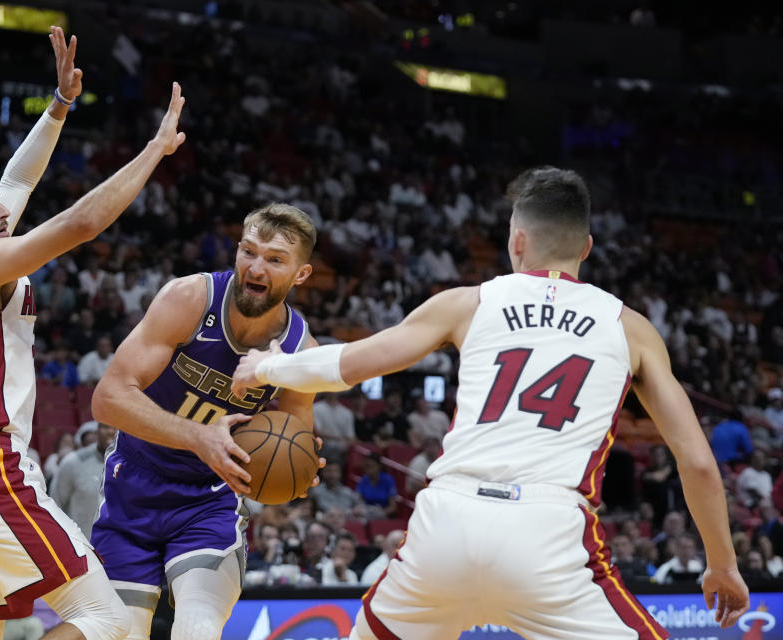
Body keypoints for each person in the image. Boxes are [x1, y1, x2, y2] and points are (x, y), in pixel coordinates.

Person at [234, 167, 749, 638]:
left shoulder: (468, 301)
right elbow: (698, 462)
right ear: (586, 247)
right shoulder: (630, 328)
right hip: (549, 535)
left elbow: (352, 364)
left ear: (517, 239)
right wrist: (722, 564)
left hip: (447, 525)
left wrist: (266, 366)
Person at [0, 27, 189, 640]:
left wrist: (60, 106)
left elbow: (18, 176)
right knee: (105, 622)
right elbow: (83, 221)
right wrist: (154, 150)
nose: (3, 208)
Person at [90, 203, 322, 640]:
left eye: (274, 259)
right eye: (249, 252)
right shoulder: (190, 299)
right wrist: (200, 438)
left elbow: (294, 438)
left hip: (209, 498)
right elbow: (107, 400)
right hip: (132, 486)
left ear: (301, 275)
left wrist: (301, 471)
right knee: (119, 633)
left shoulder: (300, 351)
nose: (256, 266)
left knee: (197, 629)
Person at [51, 423, 117, 538]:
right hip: (81, 548)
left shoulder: (133, 464)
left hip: (117, 549)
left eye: (116, 427)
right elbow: (54, 506)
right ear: (97, 430)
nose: (111, 431)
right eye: (106, 426)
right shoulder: (73, 462)